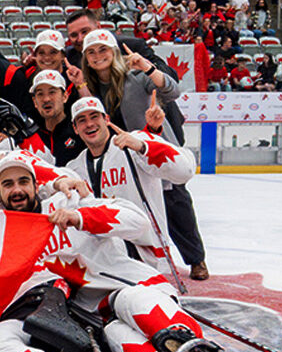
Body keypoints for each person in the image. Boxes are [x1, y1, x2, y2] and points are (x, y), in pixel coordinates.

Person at [0, 152, 229, 352]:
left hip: (117, 292)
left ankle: (192, 351)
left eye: (23, 181)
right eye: (8, 184)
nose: (16, 190)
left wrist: (79, 217)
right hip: (76, 323)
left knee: (133, 302)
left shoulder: (67, 202)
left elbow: (137, 222)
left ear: (35, 185)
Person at [79, 29, 208, 280]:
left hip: (154, 151)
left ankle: (196, 260)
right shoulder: (92, 87)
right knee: (132, 212)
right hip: (123, 160)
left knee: (176, 207)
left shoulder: (136, 76)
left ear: (114, 52)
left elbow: (172, 91)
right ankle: (138, 263)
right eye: (91, 52)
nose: (98, 56)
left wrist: (148, 68)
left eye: (103, 49)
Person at [67, 95, 196, 273]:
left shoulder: (134, 145)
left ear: (106, 119)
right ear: (75, 128)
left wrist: (144, 147)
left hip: (150, 261)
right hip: (105, 263)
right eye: (82, 120)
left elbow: (185, 170)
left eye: (94, 117)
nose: (89, 124)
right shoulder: (74, 169)